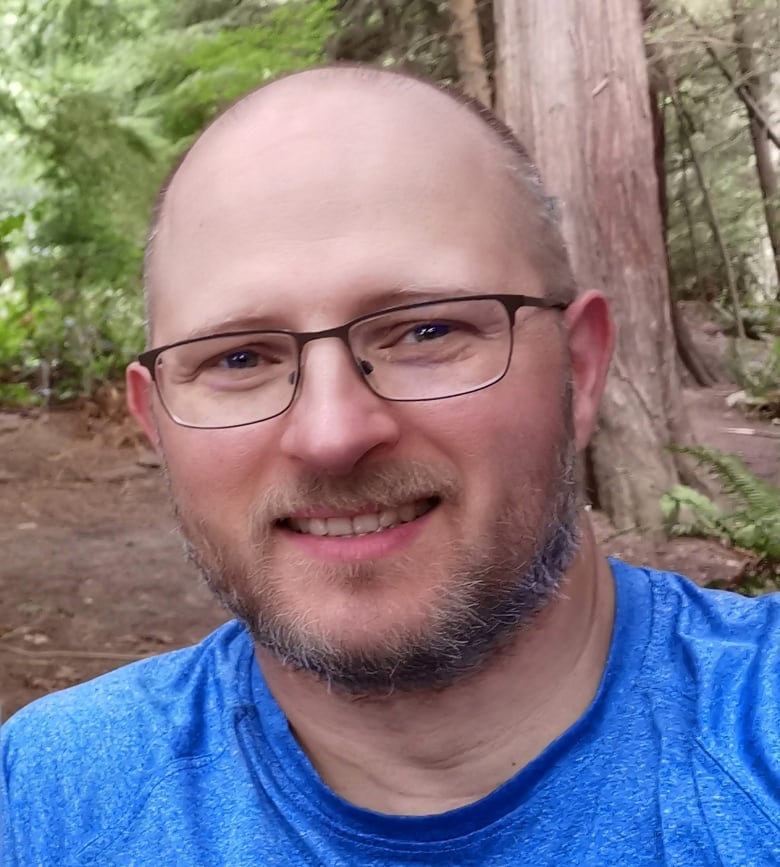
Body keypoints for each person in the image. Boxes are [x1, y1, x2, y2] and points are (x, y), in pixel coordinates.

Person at [2, 64, 780, 866]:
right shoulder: (51, 800)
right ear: (157, 420)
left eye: (426, 332)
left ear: (579, 371)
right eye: (239, 356)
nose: (332, 432)